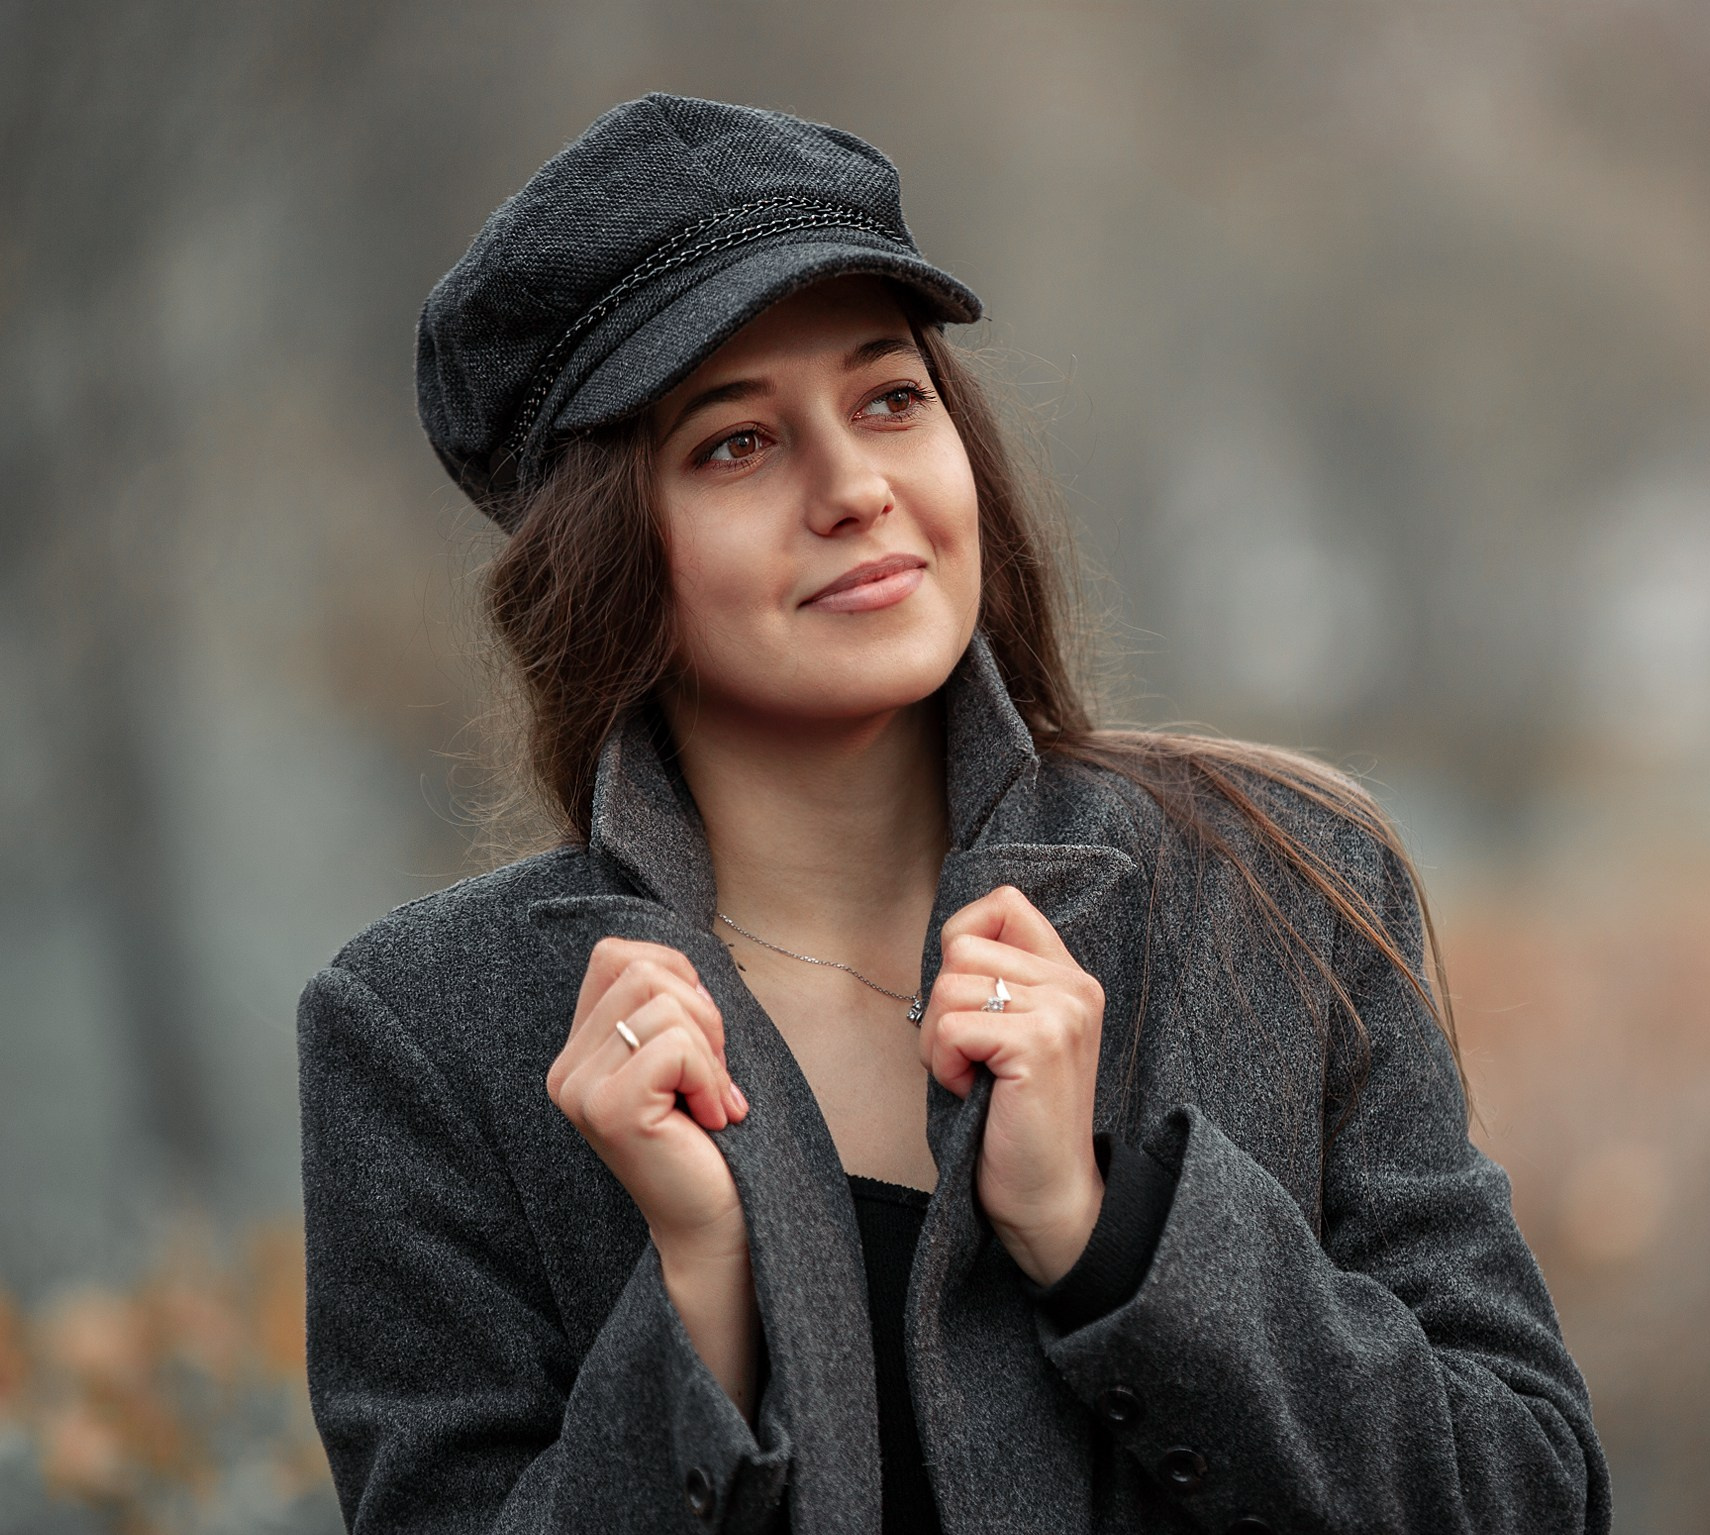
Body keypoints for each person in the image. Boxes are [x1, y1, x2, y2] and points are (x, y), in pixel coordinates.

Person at [297, 92, 1608, 1535]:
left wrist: (1112, 1238)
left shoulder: (1283, 886)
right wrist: (695, 1304)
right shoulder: (422, 1035)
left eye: (889, 398)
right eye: (737, 444)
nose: (855, 489)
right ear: (606, 557)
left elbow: (1528, 1495)